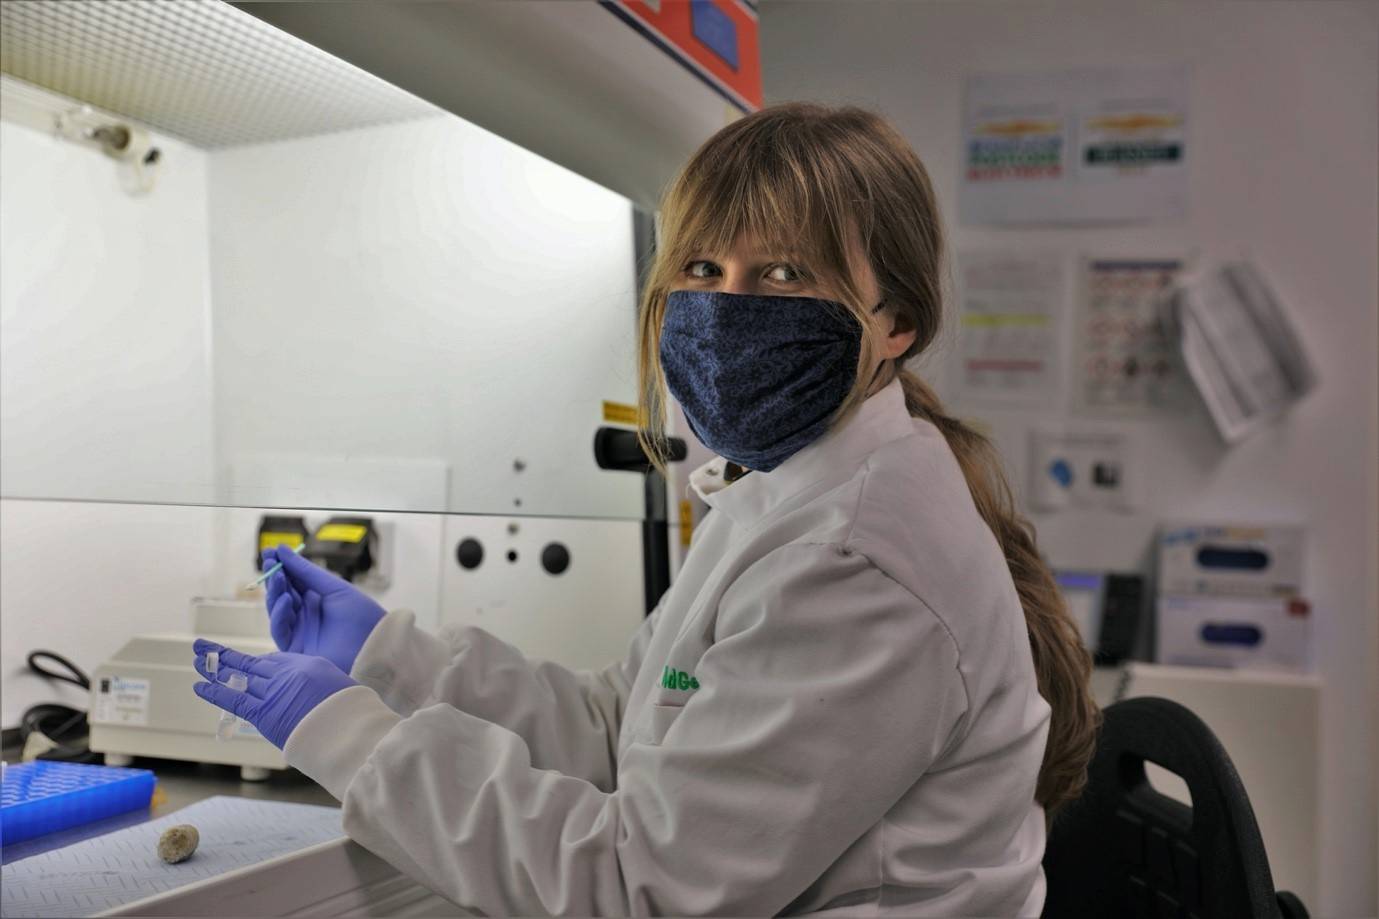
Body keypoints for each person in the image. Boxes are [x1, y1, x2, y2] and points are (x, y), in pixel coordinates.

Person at [192, 102, 1098, 917]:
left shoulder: (853, 560)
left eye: (784, 273)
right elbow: (619, 728)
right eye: (703, 266)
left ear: (894, 321)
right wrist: (387, 657)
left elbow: (643, 889)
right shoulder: (781, 489)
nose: (727, 306)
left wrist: (351, 738)